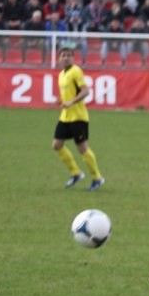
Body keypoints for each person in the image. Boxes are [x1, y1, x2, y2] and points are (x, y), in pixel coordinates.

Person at [52, 43, 105, 192]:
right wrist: (60, 99)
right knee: (57, 145)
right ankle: (76, 173)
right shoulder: (61, 74)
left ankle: (97, 178)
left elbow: (85, 91)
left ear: (73, 58)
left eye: (69, 55)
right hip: (65, 116)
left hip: (78, 116)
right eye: (63, 55)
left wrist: (71, 102)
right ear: (59, 58)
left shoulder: (76, 71)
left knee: (82, 148)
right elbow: (67, 94)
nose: (66, 58)